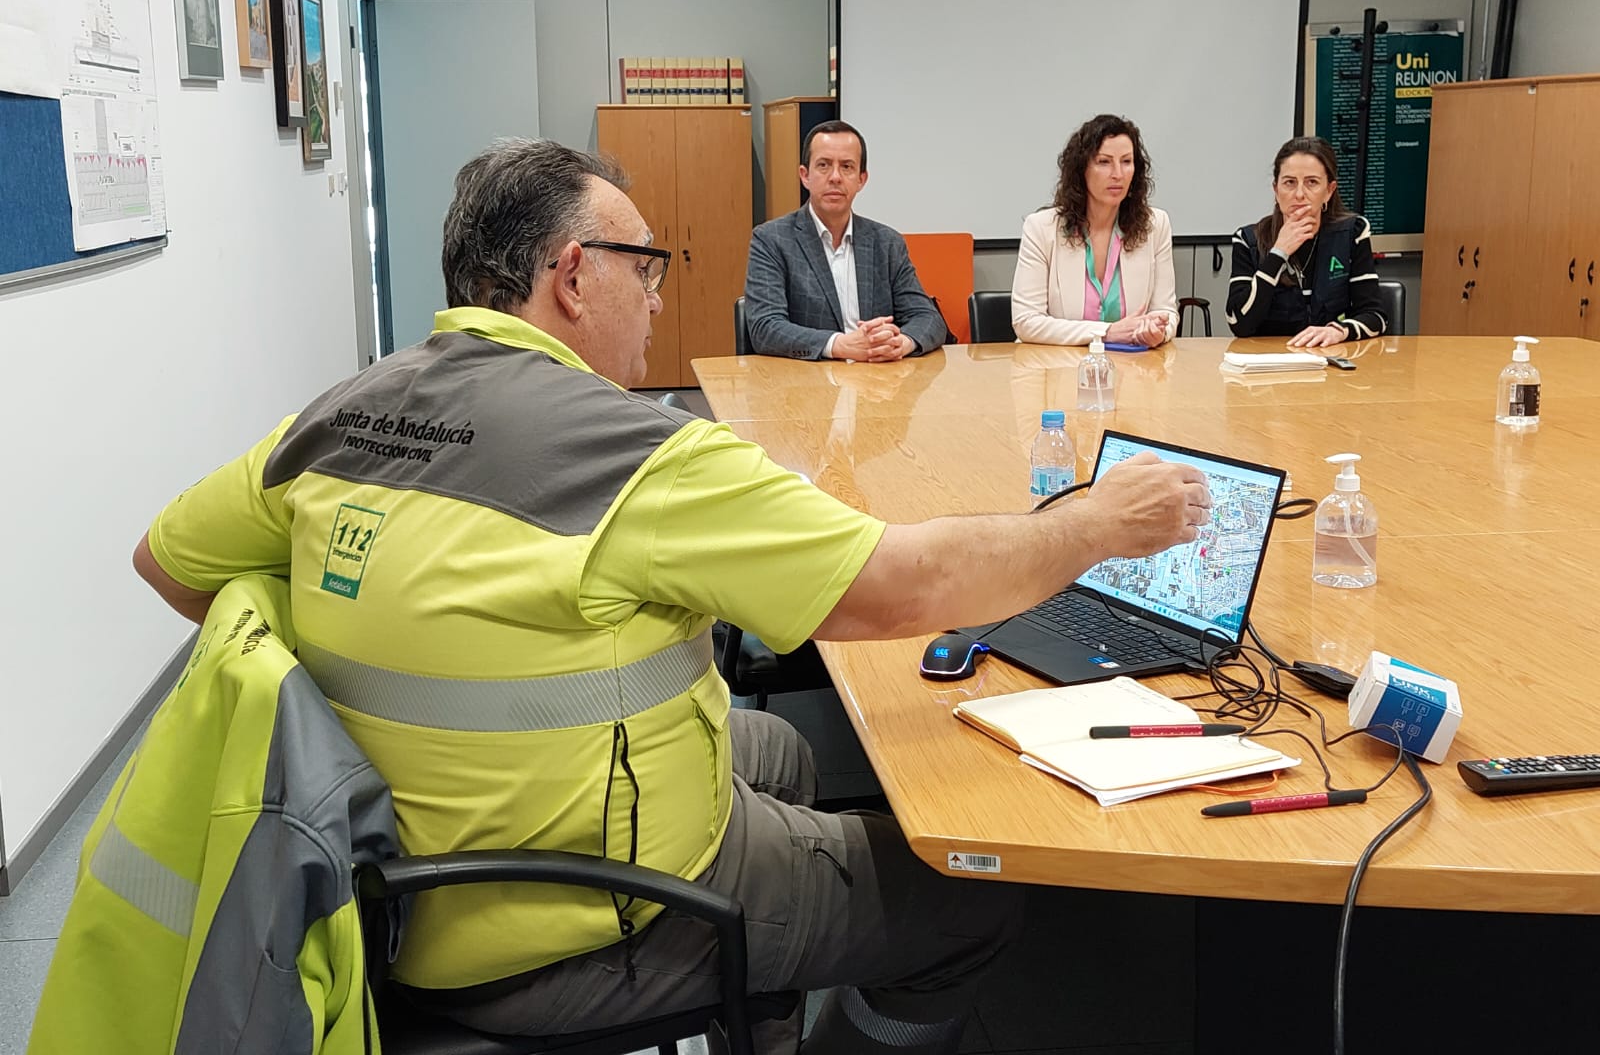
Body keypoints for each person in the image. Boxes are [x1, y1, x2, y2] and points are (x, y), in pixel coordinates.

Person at [131, 138, 1210, 1055]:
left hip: (379, 876)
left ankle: (778, 970)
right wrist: (1093, 525)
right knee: (967, 894)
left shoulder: (343, 413)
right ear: (569, 273)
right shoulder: (634, 457)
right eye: (642, 268)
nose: (655, 295)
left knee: (785, 754)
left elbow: (170, 563)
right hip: (580, 913)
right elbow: (901, 587)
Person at [745, 120, 949, 361]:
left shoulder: (887, 243)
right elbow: (765, 328)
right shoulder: (772, 240)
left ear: (861, 179)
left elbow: (928, 318)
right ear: (805, 176)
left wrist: (900, 343)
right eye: (823, 165)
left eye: (847, 167)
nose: (835, 177)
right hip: (808, 384)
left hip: (879, 385)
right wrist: (839, 345)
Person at [1011, 114, 1178, 347]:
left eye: (1127, 161)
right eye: (1104, 162)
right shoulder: (1041, 228)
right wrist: (1106, 332)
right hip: (1058, 371)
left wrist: (1156, 330)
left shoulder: (1156, 225)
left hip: (1134, 371)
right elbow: (1026, 321)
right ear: (1082, 170)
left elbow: (1166, 312)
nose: (1118, 174)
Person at [1226, 136, 1388, 345]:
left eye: (1312, 182)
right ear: (1276, 190)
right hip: (1269, 366)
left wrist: (1339, 331)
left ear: (1329, 191)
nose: (1299, 194)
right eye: (1289, 183)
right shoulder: (1249, 240)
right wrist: (1278, 253)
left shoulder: (1352, 233)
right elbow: (1239, 323)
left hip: (1331, 362)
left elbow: (1376, 316)